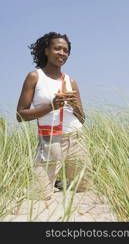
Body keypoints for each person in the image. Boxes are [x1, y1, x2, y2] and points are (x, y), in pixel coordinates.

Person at [16, 32, 91, 200]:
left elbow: (82, 118)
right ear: (46, 51)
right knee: (39, 195)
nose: (62, 53)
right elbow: (20, 115)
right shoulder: (35, 76)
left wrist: (74, 105)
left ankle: (60, 182)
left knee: (84, 187)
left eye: (65, 50)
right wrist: (51, 106)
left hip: (76, 139)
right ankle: (51, 181)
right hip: (50, 140)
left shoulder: (70, 81)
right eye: (57, 48)